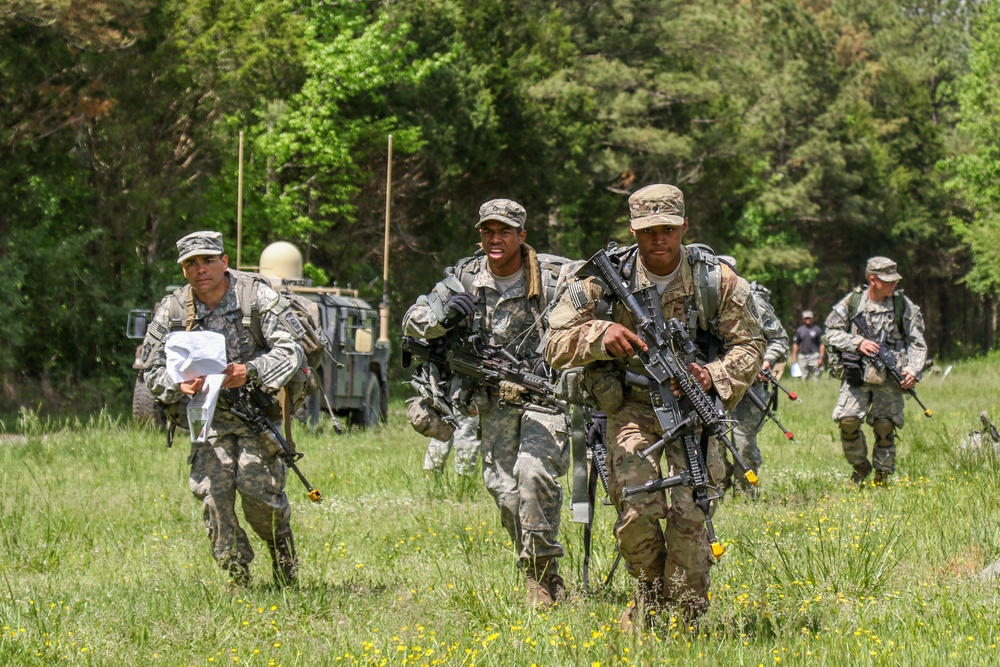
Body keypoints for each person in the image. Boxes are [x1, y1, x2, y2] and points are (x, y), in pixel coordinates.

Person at [545, 184, 764, 627]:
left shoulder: (715, 280)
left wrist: (712, 375)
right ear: (632, 230)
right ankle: (648, 599)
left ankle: (684, 612)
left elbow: (752, 344)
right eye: (648, 231)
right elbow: (552, 341)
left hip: (694, 406)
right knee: (636, 507)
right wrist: (598, 336)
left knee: (692, 511)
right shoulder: (604, 280)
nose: (658, 239)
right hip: (631, 404)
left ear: (684, 226)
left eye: (667, 229)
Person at [401, 199, 572, 606]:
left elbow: (592, 310)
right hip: (492, 403)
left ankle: (541, 578)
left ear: (521, 236)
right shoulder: (464, 276)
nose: (495, 239)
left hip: (543, 397)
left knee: (533, 476)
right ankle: (540, 570)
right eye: (488, 232)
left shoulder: (552, 277)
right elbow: (412, 318)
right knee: (505, 492)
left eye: (504, 232)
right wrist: (443, 319)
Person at [141, 231, 306, 587]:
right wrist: (177, 385)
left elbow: (292, 351)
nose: (200, 269)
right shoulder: (172, 309)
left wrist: (251, 370)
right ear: (184, 270)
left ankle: (283, 556)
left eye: (208, 260)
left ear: (224, 262)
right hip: (208, 419)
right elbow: (150, 369)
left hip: (256, 416)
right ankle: (238, 579)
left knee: (258, 495)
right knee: (213, 498)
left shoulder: (256, 298)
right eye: (191, 263)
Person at [824, 256, 927, 486]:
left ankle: (882, 475)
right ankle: (860, 466)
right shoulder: (853, 302)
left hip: (890, 377)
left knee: (884, 425)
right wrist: (856, 343)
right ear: (873, 280)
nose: (894, 284)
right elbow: (831, 332)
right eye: (888, 281)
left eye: (895, 280)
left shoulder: (902, 304)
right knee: (847, 420)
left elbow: (917, 342)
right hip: (858, 374)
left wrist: (912, 370)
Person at [717, 258, 789, 491]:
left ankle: (746, 490)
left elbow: (779, 339)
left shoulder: (753, 301)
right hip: (714, 384)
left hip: (749, 385)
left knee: (743, 443)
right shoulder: (700, 301)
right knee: (713, 442)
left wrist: (765, 361)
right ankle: (720, 485)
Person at [791, 310, 825, 380]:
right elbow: (796, 344)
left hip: (814, 356)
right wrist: (794, 357)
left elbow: (822, 344)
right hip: (803, 356)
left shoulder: (817, 330)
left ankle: (816, 389)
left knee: (817, 376)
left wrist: (821, 357)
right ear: (803, 319)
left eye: (809, 318)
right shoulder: (800, 330)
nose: (808, 320)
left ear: (812, 319)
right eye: (806, 318)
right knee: (804, 377)